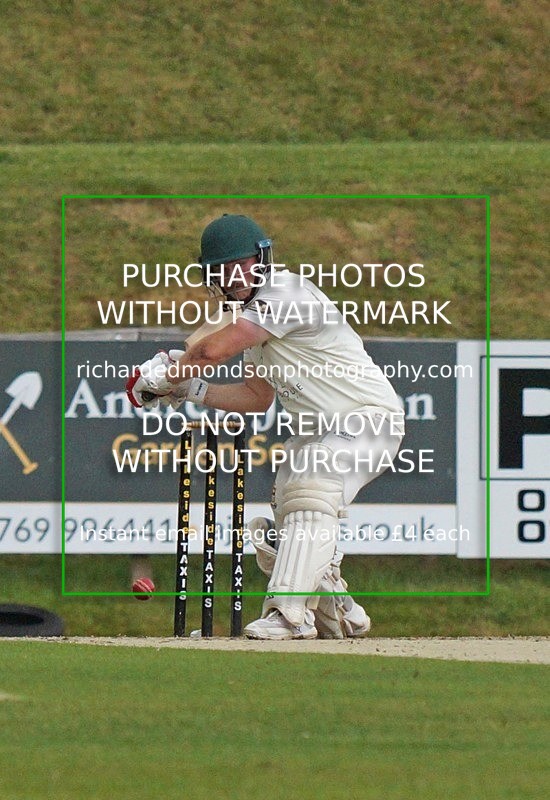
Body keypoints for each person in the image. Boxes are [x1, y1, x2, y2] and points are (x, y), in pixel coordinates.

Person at [126, 213, 404, 640]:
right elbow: (256, 398)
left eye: (245, 263)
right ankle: (339, 612)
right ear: (210, 276)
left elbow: (211, 349)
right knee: (291, 510)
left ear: (263, 259)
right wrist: (190, 389)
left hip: (368, 418)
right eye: (224, 268)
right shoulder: (255, 324)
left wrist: (167, 375)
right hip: (317, 431)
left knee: (313, 481)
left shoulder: (286, 292)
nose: (236, 275)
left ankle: (289, 614)